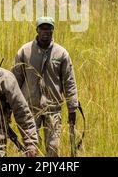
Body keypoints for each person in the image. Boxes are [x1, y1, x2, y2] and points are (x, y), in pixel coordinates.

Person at [12, 17, 79, 157]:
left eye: (49, 28)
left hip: (53, 109)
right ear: (37, 30)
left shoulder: (61, 53)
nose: (45, 31)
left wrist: (72, 107)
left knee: (53, 149)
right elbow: (14, 80)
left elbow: (69, 81)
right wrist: (9, 104)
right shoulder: (25, 51)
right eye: (42, 28)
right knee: (31, 150)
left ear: (53, 30)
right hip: (30, 108)